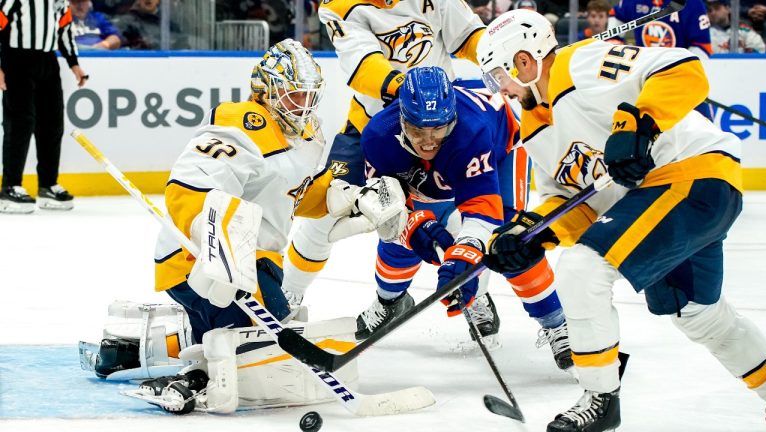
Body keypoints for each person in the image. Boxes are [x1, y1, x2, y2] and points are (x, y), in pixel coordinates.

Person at [477, 8, 766, 431]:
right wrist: (531, 233)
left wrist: (640, 125)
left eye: (495, 75)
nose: (497, 88)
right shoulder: (535, 128)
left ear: (523, 60)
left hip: (692, 175)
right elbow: (572, 201)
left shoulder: (580, 63)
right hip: (664, 199)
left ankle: (600, 396)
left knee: (582, 267)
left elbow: (684, 68)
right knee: (698, 314)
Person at [91, 39, 407, 377]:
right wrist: (217, 249)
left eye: (309, 95)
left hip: (259, 259)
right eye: (293, 94)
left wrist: (345, 198)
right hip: (196, 258)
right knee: (261, 346)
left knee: (247, 337)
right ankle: (197, 375)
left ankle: (127, 353)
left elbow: (295, 195)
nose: (302, 105)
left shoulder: (308, 134)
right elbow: (188, 188)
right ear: (266, 90)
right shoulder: (241, 123)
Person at [281, 0, 505, 339]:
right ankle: (287, 298)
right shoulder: (341, 5)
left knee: (463, 219)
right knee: (327, 212)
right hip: (374, 129)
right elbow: (365, 67)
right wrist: (419, 95)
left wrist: (509, 63)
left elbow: (471, 37)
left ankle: (474, 292)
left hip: (441, 130)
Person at [357, 66, 573, 368]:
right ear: (402, 118)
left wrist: (465, 253)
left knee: (509, 241)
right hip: (439, 163)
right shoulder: (379, 136)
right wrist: (414, 228)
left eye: (438, 129)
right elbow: (386, 209)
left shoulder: (471, 131)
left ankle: (558, 325)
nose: (428, 141)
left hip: (503, 149)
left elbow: (482, 210)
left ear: (453, 119)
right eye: (418, 130)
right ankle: (387, 302)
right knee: (405, 239)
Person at [0, 0, 88, 213]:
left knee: (52, 123)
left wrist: (73, 62)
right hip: (16, 58)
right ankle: (10, 186)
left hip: (47, 61)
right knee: (20, 122)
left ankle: (48, 184)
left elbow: (64, 28)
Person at [610, 0, 714, 119]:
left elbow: (703, 47)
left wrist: (679, 70)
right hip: (645, 80)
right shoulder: (634, 2)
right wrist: (618, 49)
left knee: (701, 129)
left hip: (682, 83)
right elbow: (617, 16)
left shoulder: (692, 3)